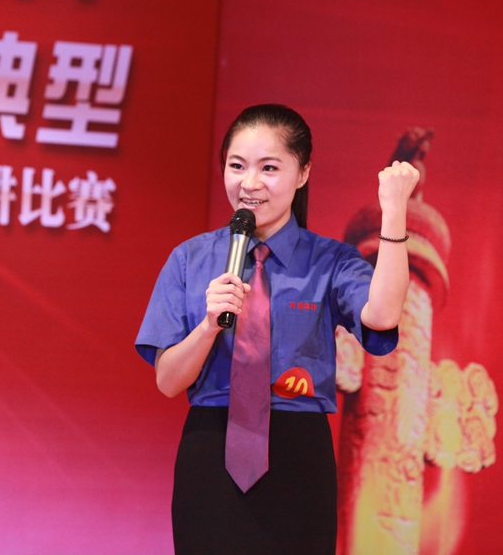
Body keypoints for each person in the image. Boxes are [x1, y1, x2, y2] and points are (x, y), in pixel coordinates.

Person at [135, 104, 419, 555]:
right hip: (211, 456)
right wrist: (208, 325)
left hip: (299, 455)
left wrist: (394, 211)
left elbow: (382, 316)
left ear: (302, 173)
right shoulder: (190, 259)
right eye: (237, 166)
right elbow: (168, 381)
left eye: (268, 168)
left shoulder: (330, 261)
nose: (249, 183)